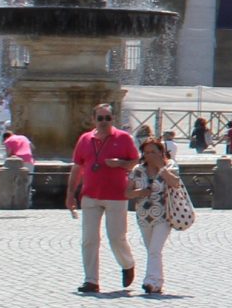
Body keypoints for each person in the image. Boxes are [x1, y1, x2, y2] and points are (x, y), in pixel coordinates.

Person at [68, 103, 141, 294]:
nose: (104, 122)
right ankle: (91, 280)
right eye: (100, 118)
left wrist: (121, 163)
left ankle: (127, 263)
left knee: (116, 238)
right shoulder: (85, 139)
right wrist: (70, 194)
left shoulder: (123, 138)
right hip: (90, 195)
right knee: (89, 239)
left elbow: (136, 161)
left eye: (107, 118)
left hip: (116, 195)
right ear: (93, 120)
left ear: (113, 119)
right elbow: (77, 167)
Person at [125, 136, 188, 297]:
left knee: (154, 249)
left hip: (164, 215)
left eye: (153, 152)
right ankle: (157, 282)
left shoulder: (170, 165)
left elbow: (175, 183)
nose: (149, 155)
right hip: (144, 215)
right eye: (146, 152)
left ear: (161, 152)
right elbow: (127, 193)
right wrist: (139, 193)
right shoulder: (138, 170)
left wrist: (161, 168)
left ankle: (150, 281)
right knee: (152, 251)